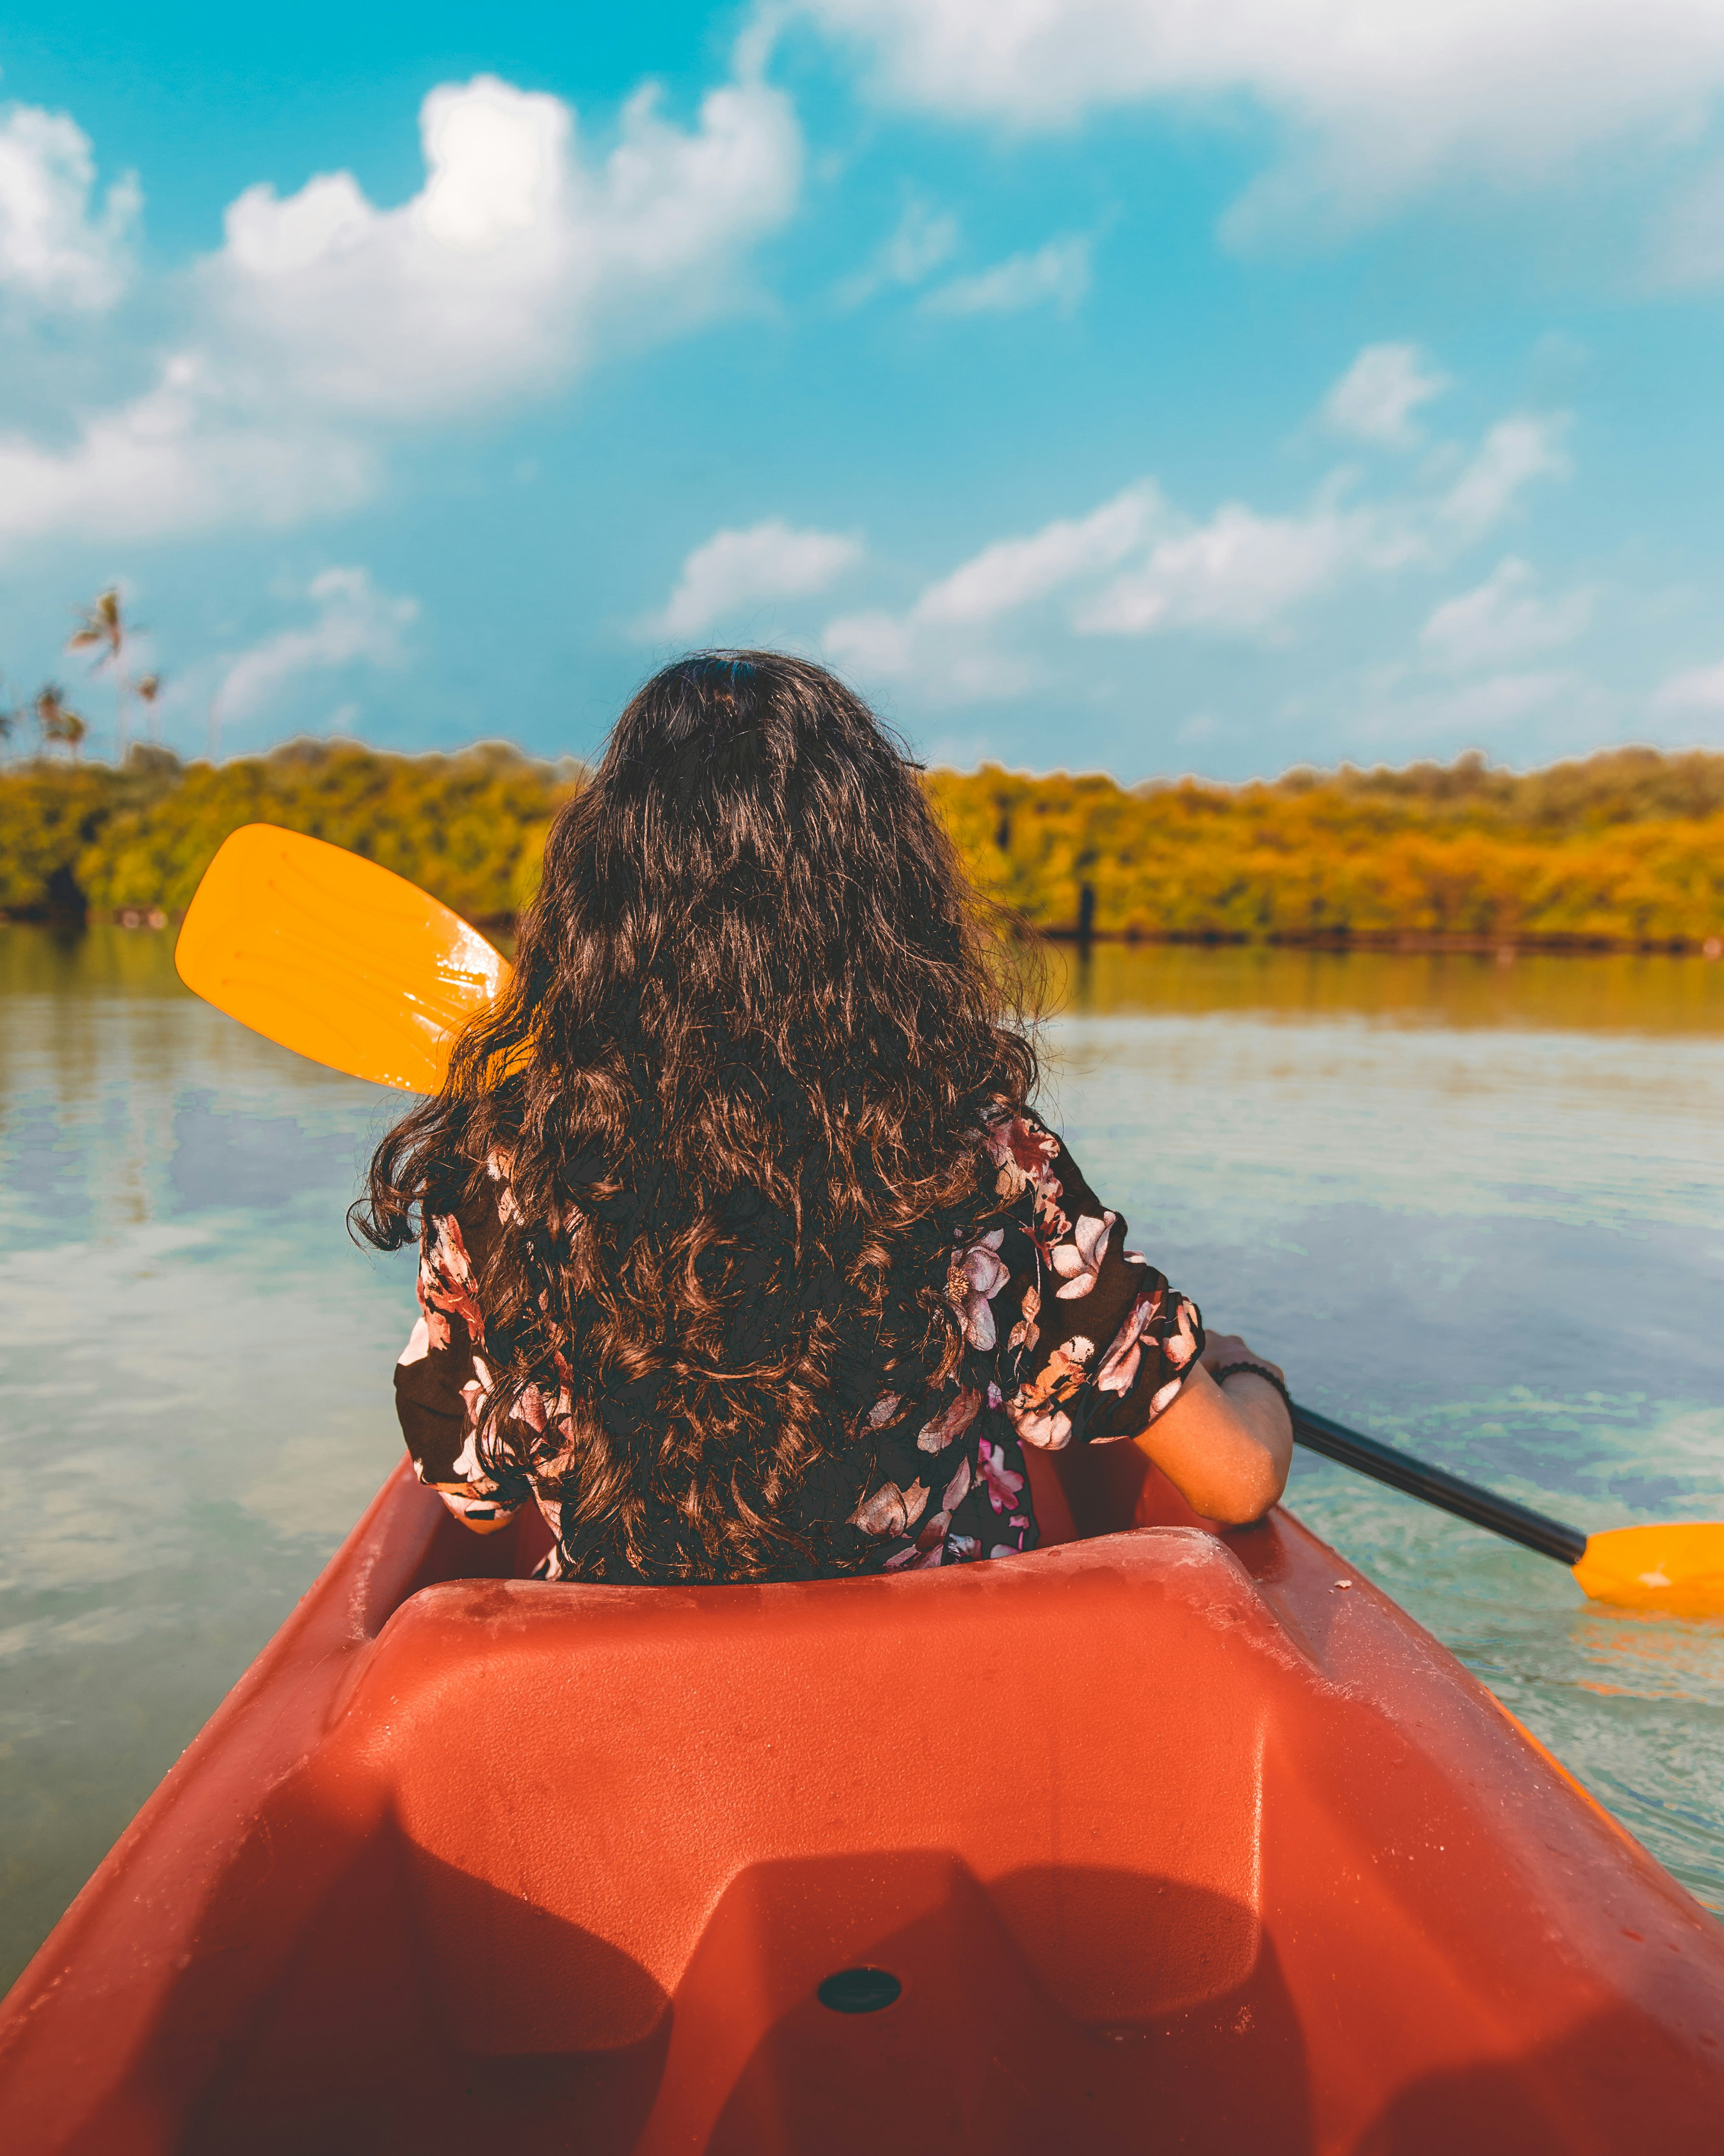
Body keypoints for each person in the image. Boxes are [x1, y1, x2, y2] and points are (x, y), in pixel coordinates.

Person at [356, 652, 1292, 1584]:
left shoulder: (506, 1161)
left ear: (603, 892)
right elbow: (1236, 1482)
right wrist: (1248, 1377)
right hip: (927, 1690)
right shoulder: (979, 1149)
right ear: (883, 889)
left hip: (627, 1706)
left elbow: (471, 1500)